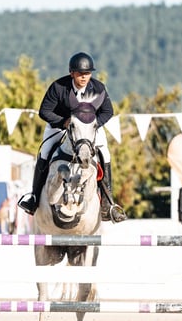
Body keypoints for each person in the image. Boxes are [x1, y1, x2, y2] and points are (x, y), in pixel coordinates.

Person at [17, 51, 126, 222]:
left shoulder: (98, 88)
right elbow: (44, 111)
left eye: (87, 73)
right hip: (60, 126)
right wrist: (64, 122)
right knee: (45, 152)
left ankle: (108, 203)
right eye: (80, 73)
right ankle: (34, 198)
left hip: (89, 129)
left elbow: (108, 111)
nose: (84, 77)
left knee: (106, 154)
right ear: (72, 73)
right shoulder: (58, 87)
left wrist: (93, 124)